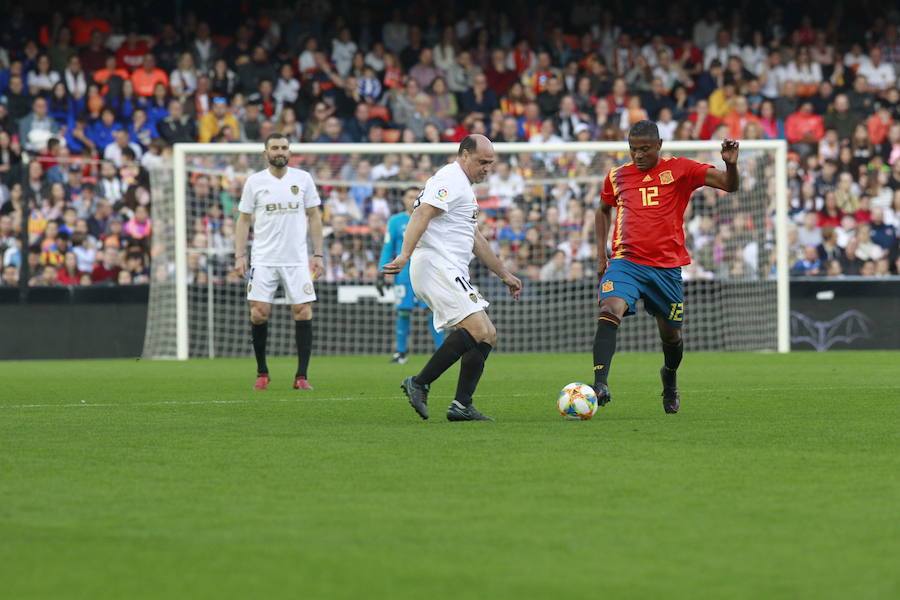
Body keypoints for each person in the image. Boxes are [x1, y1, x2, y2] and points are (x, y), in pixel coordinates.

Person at [593, 120, 740, 414]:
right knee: (609, 308)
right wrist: (601, 255)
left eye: (645, 149)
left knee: (671, 336)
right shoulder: (617, 176)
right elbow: (602, 210)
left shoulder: (681, 169)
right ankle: (599, 384)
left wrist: (731, 166)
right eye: (633, 149)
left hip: (666, 268)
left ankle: (669, 377)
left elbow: (728, 185)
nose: (638, 155)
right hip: (627, 262)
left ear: (659, 145)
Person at [382, 135, 522, 421]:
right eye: (482, 162)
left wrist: (504, 274)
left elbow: (475, 238)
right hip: (435, 265)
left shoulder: (464, 188)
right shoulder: (450, 178)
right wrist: (404, 255)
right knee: (478, 331)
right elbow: (422, 213)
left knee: (488, 336)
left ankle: (461, 405)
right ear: (465, 155)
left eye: (490, 163)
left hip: (450, 268)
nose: (487, 168)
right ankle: (419, 382)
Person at [234, 133, 324, 391]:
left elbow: (314, 216)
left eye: (284, 147)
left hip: (296, 260)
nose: (280, 151)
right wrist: (239, 255)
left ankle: (301, 376)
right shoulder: (255, 182)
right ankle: (262, 372)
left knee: (303, 311)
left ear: (290, 151)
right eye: (275, 148)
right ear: (266, 153)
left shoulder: (303, 179)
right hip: (263, 259)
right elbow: (243, 220)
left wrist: (318, 254)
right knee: (259, 313)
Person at [378, 187, 446, 364]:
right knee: (403, 313)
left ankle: (443, 351)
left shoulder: (430, 218)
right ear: (403, 199)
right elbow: (388, 246)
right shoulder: (396, 221)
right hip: (403, 275)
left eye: (416, 196)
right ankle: (400, 353)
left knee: (433, 312)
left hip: (427, 272)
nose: (413, 199)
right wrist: (382, 271)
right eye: (409, 196)